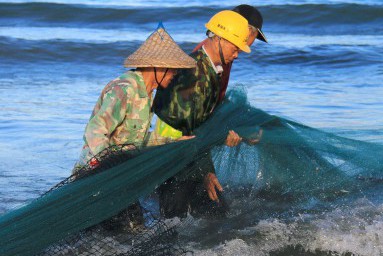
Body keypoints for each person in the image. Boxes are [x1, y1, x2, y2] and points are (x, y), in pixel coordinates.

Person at [77, 24, 197, 227]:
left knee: (133, 229)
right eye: (173, 68)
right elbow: (95, 130)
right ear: (158, 67)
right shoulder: (125, 90)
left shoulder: (148, 95)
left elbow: (139, 139)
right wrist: (105, 167)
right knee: (125, 229)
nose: (176, 73)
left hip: (120, 177)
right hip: (96, 177)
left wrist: (174, 142)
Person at [151, 10, 259, 218]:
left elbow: (203, 118)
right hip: (174, 155)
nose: (237, 55)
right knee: (176, 220)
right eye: (235, 48)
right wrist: (207, 172)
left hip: (188, 153)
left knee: (211, 215)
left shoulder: (209, 67)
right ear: (218, 39)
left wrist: (230, 133)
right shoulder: (196, 75)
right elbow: (192, 129)